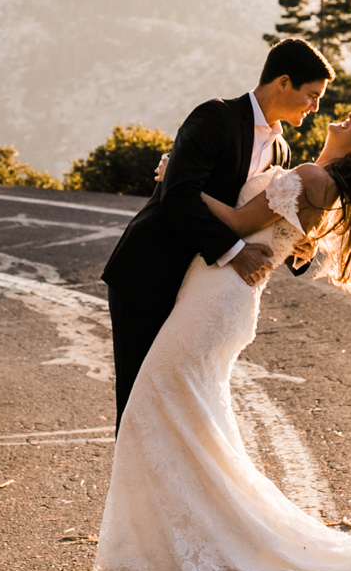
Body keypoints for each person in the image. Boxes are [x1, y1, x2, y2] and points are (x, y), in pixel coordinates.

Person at [93, 108, 351, 571]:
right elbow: (282, 236)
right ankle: (186, 534)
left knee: (155, 401)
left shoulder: (312, 177)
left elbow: (235, 221)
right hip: (220, 296)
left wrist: (174, 179)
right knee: (184, 413)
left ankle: (182, 539)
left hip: (216, 297)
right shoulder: (317, 179)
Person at [99, 39, 333, 425]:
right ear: (284, 82)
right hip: (150, 272)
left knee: (178, 397)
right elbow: (177, 196)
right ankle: (133, 485)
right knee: (140, 395)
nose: (316, 107)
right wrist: (235, 251)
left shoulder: (282, 153)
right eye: (312, 96)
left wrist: (295, 250)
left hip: (200, 292)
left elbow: (263, 217)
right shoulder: (215, 117)